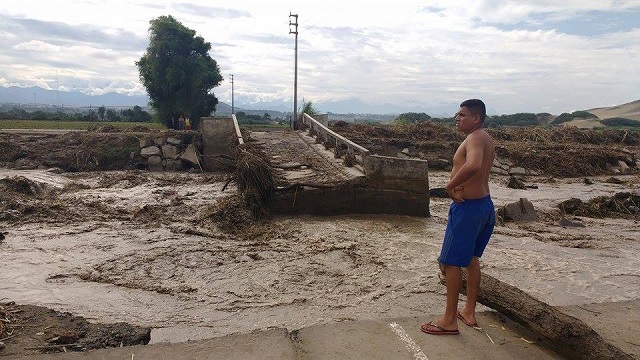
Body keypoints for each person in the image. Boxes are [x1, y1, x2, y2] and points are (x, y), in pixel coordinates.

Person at [421, 99, 496, 336]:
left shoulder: (474, 138)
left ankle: (448, 320)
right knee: (472, 259)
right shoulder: (484, 137)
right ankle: (469, 311)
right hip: (484, 206)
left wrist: (450, 186)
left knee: (451, 263)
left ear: (476, 118)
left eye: (462, 115)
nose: (457, 118)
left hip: (468, 209)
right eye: (457, 114)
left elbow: (473, 165)